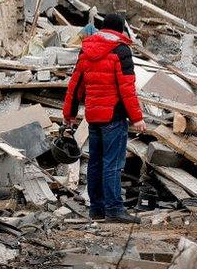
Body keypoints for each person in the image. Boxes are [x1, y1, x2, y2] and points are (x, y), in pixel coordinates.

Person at [62, 13, 146, 224]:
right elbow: (127, 89)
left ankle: (97, 209)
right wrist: (137, 118)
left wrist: (69, 115)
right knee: (113, 164)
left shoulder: (86, 49)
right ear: (120, 30)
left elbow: (75, 85)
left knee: (96, 163)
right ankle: (115, 209)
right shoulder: (121, 50)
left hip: (93, 116)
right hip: (114, 117)